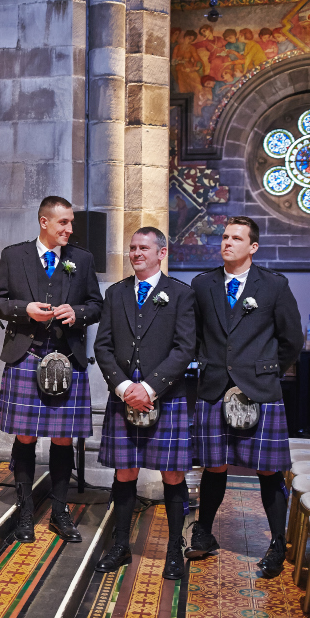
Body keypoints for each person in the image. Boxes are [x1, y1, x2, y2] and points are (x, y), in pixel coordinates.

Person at [186, 216, 303, 578]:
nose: (227, 243)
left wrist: (265, 371)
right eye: (224, 237)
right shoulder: (203, 284)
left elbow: (292, 340)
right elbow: (194, 336)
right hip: (214, 387)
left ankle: (277, 544)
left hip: (260, 391)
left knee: (268, 470)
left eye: (236, 238)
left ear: (252, 247)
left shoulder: (274, 285)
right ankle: (204, 534)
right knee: (213, 464)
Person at [0, 196, 103, 544]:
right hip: (27, 357)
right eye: (63, 223)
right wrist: (25, 310)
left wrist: (76, 314)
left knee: (63, 438)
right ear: (44, 222)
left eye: (70, 223)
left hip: (67, 359)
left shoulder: (81, 260)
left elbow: (96, 305)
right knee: (25, 436)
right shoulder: (14, 255)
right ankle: (24, 512)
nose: (69, 229)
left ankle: (60, 512)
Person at [94, 227, 196, 581]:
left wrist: (150, 388)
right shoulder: (116, 293)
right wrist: (124, 388)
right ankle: (120, 546)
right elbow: (102, 347)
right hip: (124, 397)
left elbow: (185, 349)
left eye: (143, 248)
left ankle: (173, 551)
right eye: (132, 248)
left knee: (172, 473)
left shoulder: (181, 295)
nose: (136, 253)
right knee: (125, 472)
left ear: (161, 253)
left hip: (166, 397)